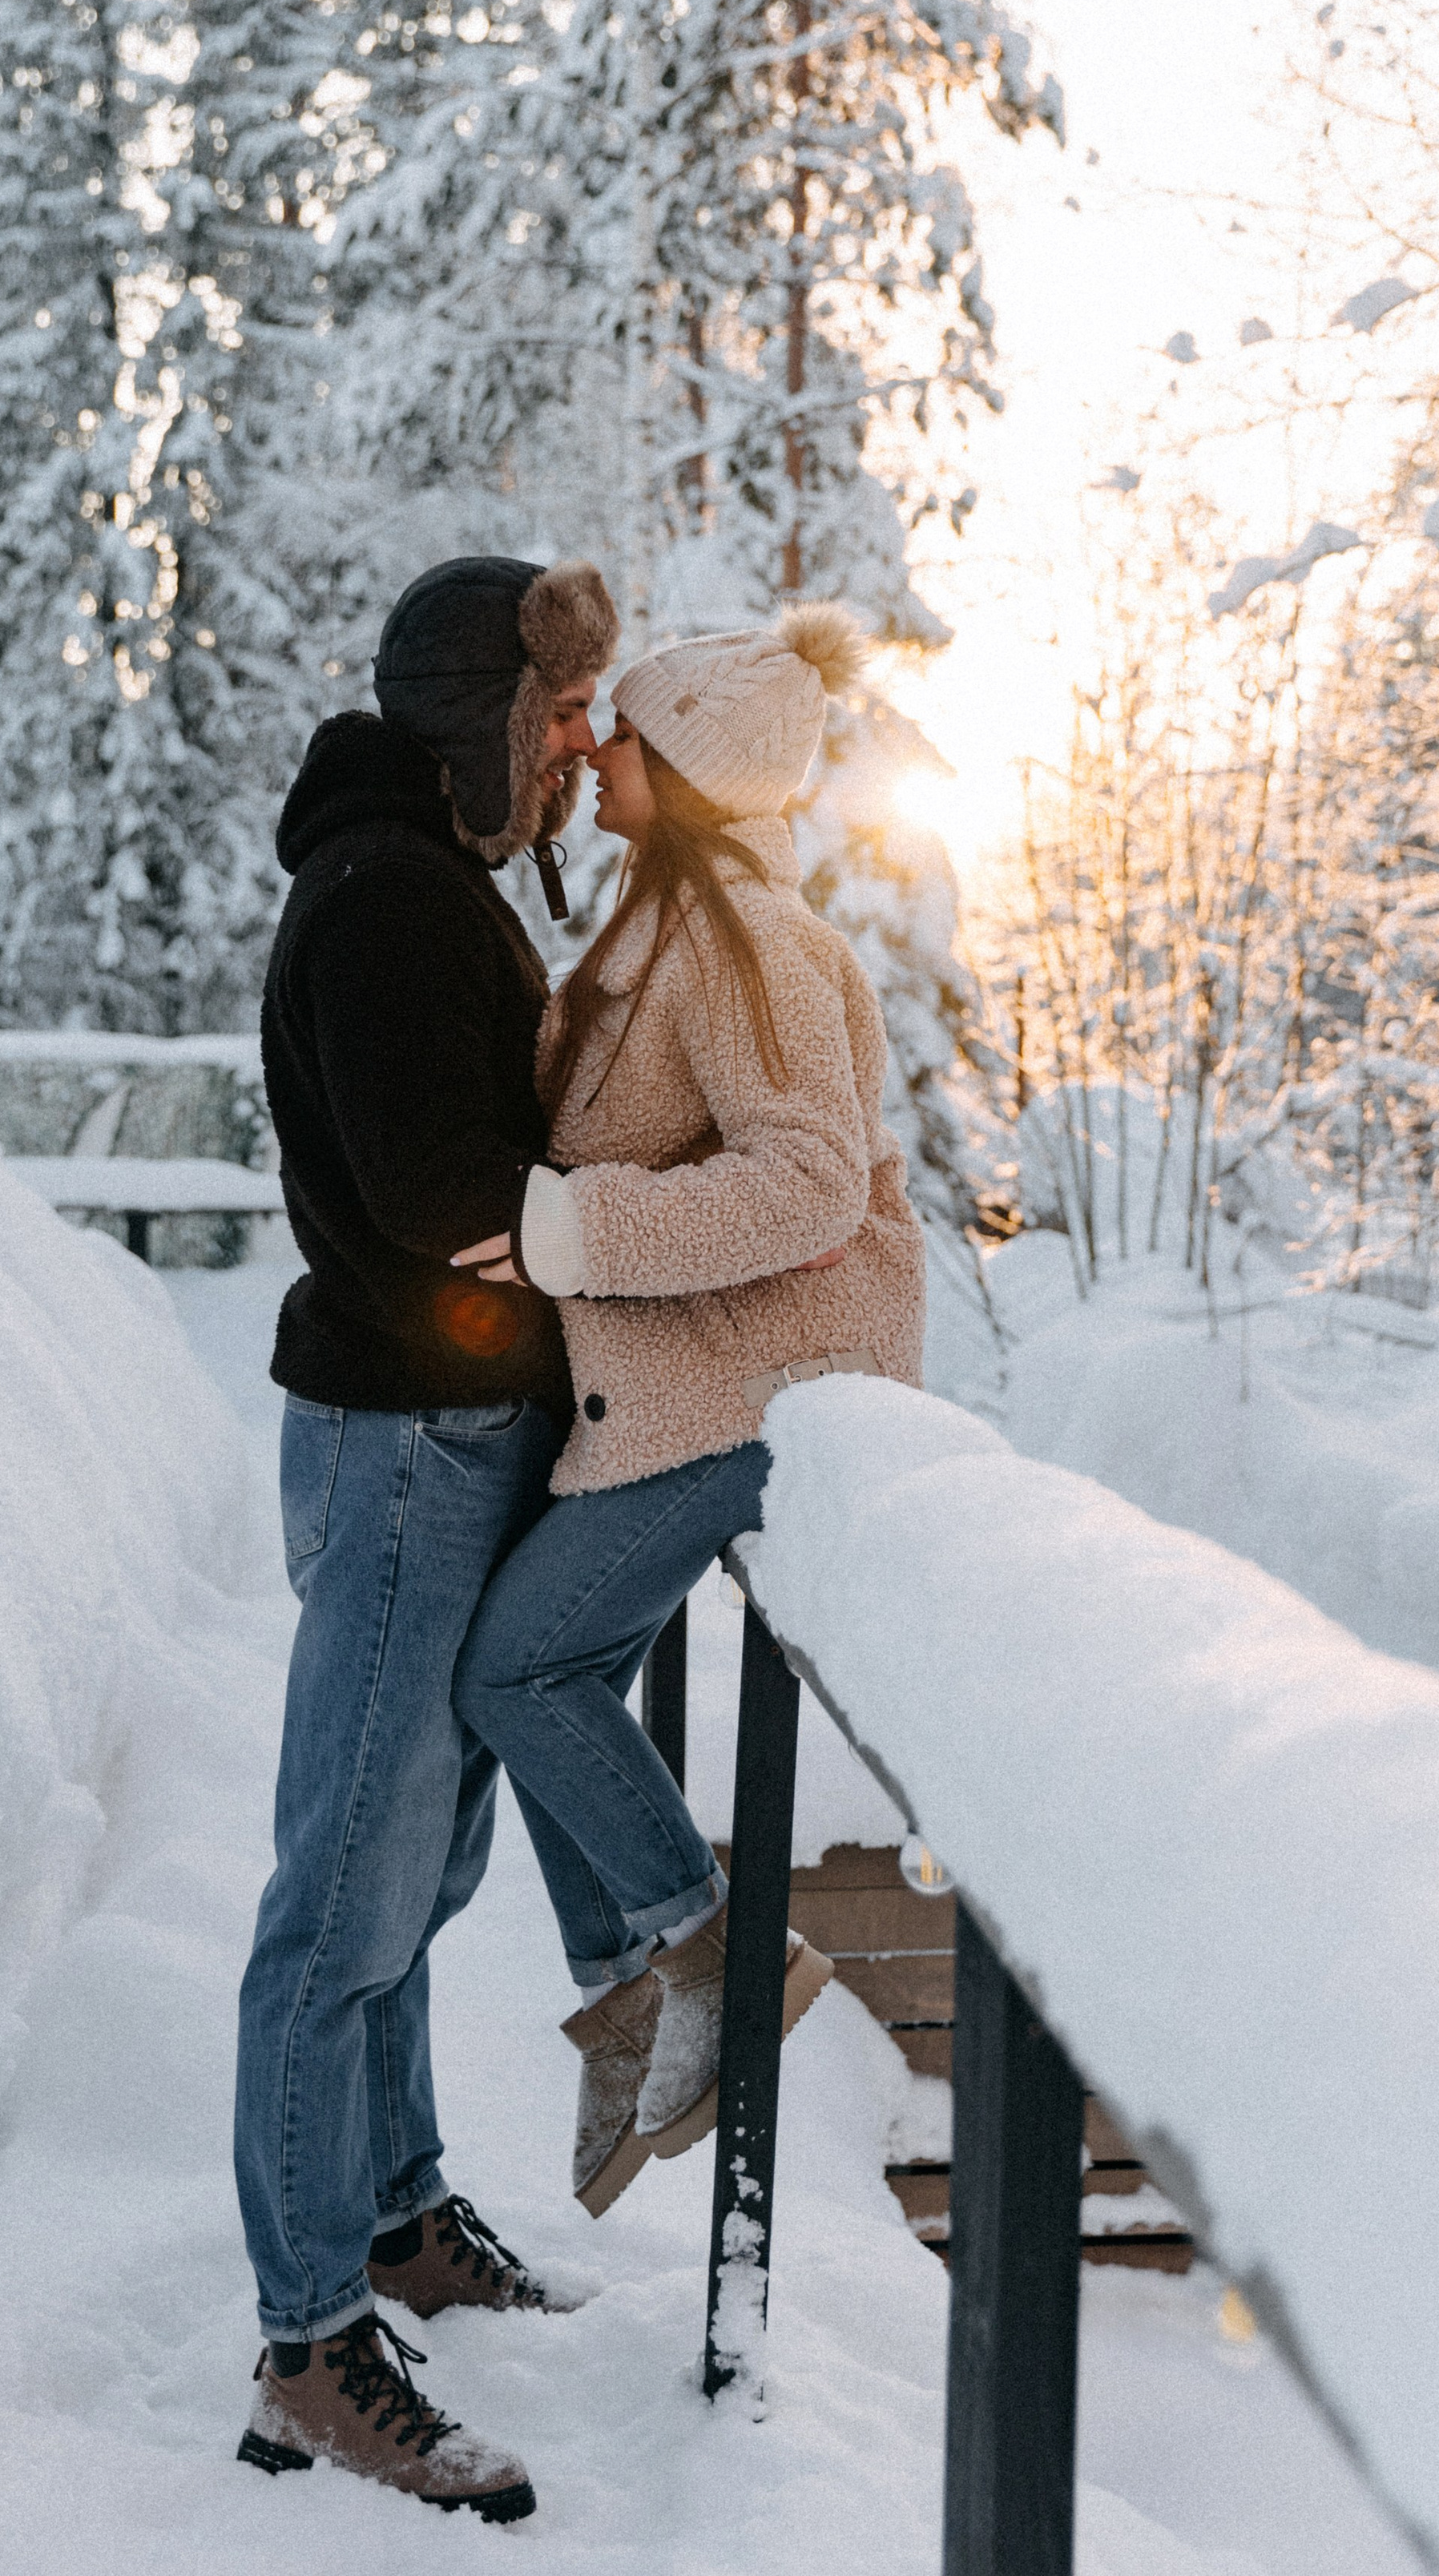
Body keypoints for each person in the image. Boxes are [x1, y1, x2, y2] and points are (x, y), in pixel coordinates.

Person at [447, 602, 926, 2219]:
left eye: (626, 735)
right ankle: (631, 1997)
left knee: (517, 1666)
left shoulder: (745, 940)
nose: (592, 751)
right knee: (551, 1666)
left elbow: (805, 1184)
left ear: (697, 769)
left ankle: (712, 1961)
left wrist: (566, 1231)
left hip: (762, 1388)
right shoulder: (667, 922)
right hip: (684, 1382)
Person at [234, 553, 618, 2520]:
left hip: (440, 1439)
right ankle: (310, 2347)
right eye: (557, 712)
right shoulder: (386, 898)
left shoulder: (427, 878)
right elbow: (440, 1193)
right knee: (340, 1910)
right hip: (403, 1443)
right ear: (482, 713)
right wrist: (642, 1236)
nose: (579, 748)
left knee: (414, 1881)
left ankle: (390, 2221)